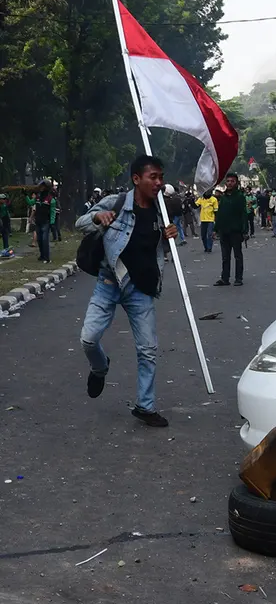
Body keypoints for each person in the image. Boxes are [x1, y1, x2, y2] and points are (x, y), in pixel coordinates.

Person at [76, 155, 179, 428]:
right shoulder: (117, 203)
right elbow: (80, 222)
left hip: (141, 290)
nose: (159, 182)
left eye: (161, 177)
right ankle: (100, 368)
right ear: (136, 179)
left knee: (148, 350)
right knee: (88, 339)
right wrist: (98, 217)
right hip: (109, 283)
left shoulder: (162, 212)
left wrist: (170, 236)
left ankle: (145, 406)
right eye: (153, 177)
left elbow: (155, 250)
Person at [213, 172, 246, 286]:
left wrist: (245, 231)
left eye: (232, 181)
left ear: (236, 183)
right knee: (225, 257)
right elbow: (220, 214)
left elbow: (243, 214)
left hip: (236, 231)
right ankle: (225, 278)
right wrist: (215, 229)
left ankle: (238, 278)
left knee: (237, 256)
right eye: (228, 181)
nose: (230, 183)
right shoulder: (223, 198)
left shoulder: (240, 197)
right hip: (224, 231)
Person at [161, 184, 184, 262]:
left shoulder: (161, 201)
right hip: (171, 220)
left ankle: (165, 256)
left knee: (164, 239)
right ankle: (173, 255)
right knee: (171, 238)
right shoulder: (173, 200)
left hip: (163, 221)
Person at [32, 180, 53, 263]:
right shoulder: (37, 197)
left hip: (46, 222)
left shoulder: (51, 199)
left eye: (43, 186)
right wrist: (25, 195)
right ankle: (42, 255)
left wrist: (52, 222)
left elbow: (52, 212)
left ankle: (47, 257)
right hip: (38, 221)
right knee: (40, 240)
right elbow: (31, 202)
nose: (41, 188)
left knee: (45, 240)